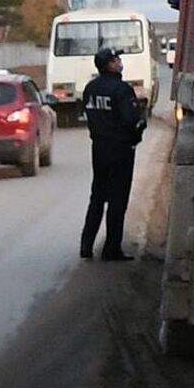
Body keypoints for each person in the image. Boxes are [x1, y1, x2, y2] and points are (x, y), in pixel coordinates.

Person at [80, 44, 145, 260]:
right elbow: (131, 121)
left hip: (99, 149)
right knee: (118, 200)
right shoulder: (121, 90)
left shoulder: (90, 88)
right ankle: (111, 248)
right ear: (110, 65)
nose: (120, 63)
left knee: (97, 196)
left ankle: (86, 246)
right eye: (116, 60)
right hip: (120, 150)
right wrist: (138, 131)